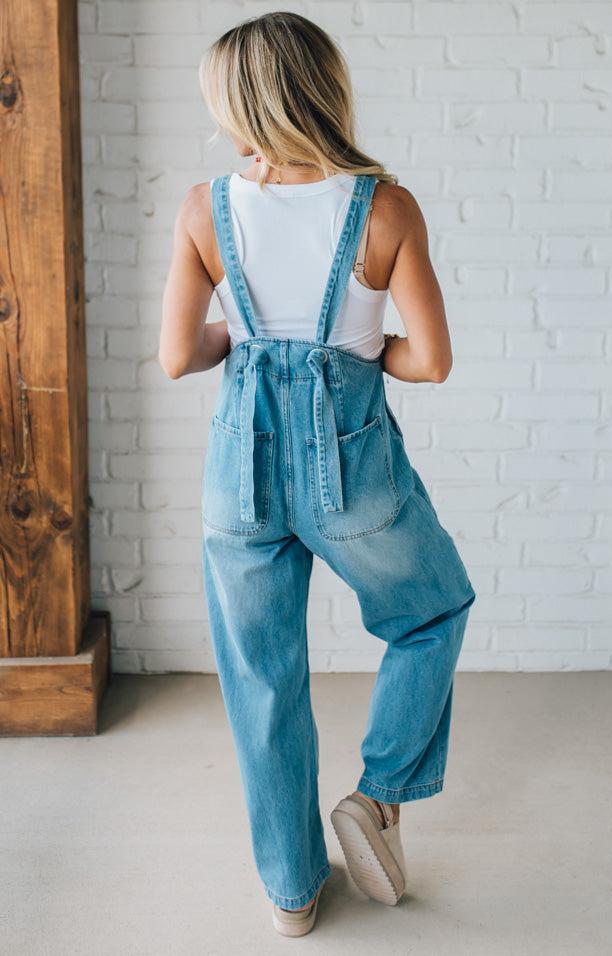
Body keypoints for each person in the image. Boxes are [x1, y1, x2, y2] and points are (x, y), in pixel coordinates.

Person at [159, 10, 476, 938]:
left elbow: (179, 355)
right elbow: (432, 362)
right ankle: (377, 797)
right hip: (350, 467)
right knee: (430, 610)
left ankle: (292, 894)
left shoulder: (202, 207)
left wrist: (251, 337)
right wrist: (359, 349)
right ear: (323, 87)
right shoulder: (384, 207)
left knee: (261, 676)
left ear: (238, 102)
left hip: (239, 478)